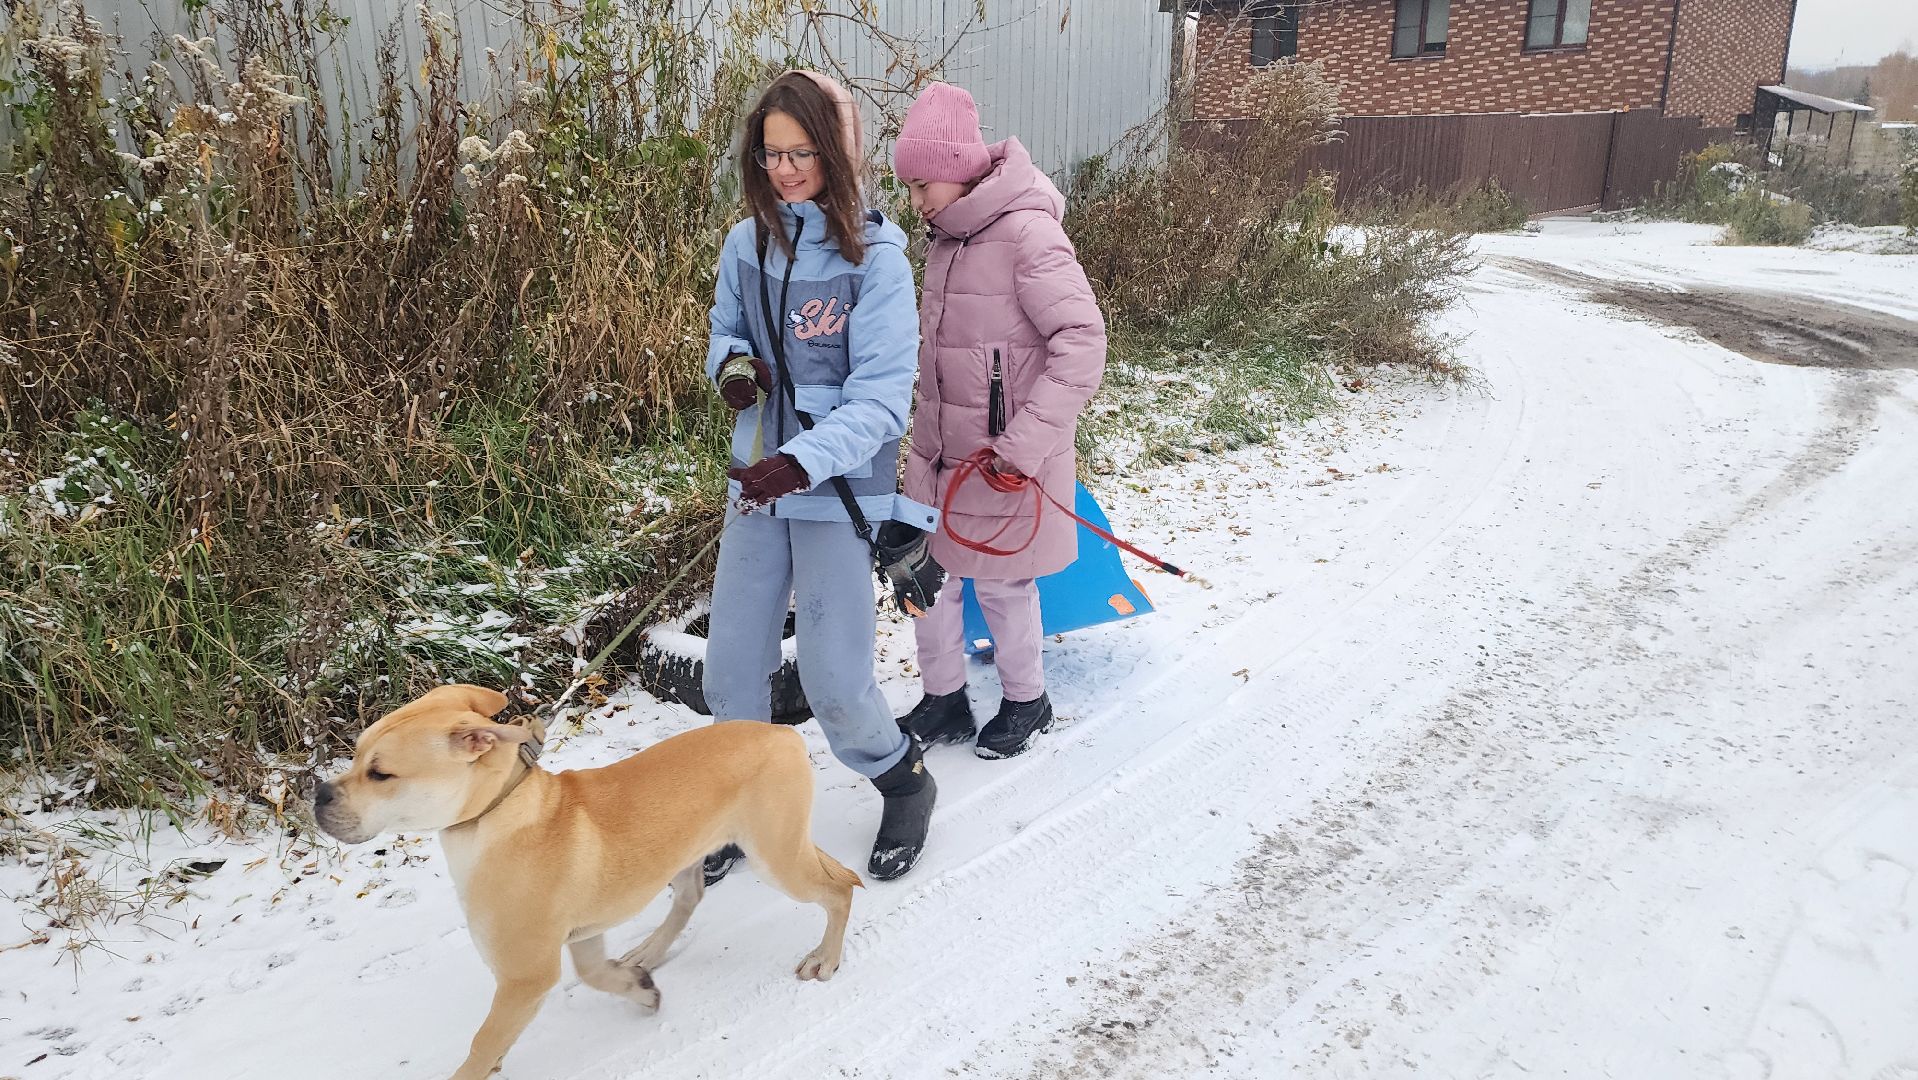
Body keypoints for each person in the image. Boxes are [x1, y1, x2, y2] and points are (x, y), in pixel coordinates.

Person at [701, 71, 942, 883]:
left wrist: (799, 462)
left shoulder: (876, 261)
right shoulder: (745, 245)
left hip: (836, 492)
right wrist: (734, 371)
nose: (785, 170)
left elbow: (880, 400)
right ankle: (741, 804)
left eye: (802, 153)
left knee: (834, 678)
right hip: (755, 485)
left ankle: (903, 779)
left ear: (839, 151)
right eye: (771, 154)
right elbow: (726, 331)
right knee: (732, 669)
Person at [891, 82, 1108, 760]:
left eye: (922, 184)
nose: (916, 200)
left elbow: (1082, 341)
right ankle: (944, 698)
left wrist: (1024, 444)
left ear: (958, 169)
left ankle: (1026, 700)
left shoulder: (1027, 232)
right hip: (939, 449)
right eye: (911, 188)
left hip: (1001, 457)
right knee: (927, 575)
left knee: (1002, 582)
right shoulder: (945, 240)